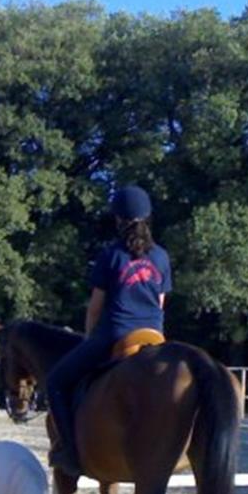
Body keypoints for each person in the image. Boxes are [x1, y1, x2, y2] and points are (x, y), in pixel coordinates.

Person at [45, 185, 172, 475]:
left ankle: (70, 452)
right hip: (155, 336)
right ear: (148, 217)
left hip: (116, 333)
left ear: (118, 219)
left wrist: (89, 338)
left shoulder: (111, 255)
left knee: (55, 382)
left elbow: (95, 307)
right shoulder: (162, 257)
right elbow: (161, 303)